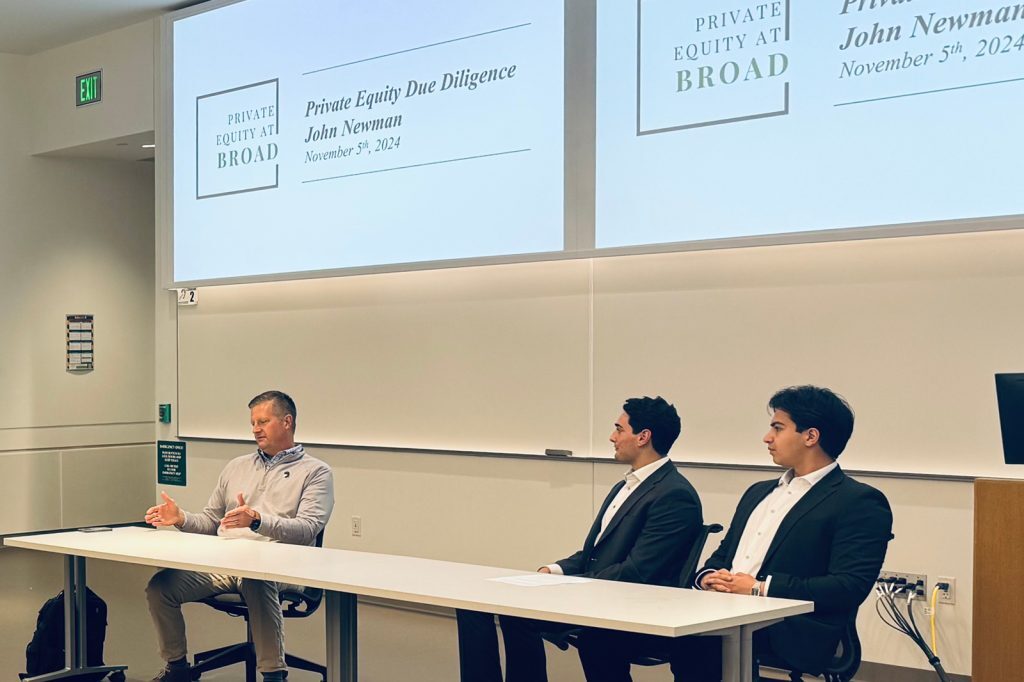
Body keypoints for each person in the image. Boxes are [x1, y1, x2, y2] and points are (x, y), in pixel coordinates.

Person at [578, 385, 893, 681]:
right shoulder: (759, 492)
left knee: (698, 645)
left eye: (778, 428)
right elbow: (721, 556)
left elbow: (848, 586)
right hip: (724, 610)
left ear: (811, 436)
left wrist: (758, 588)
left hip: (788, 624)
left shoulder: (858, 501)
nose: (767, 438)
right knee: (601, 633)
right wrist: (709, 576)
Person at [456, 396, 703, 682]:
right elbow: (594, 553)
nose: (612, 437)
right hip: (594, 593)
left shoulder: (674, 495)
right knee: (474, 604)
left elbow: (639, 572)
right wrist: (554, 570)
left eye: (619, 429)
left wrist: (574, 585)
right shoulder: (626, 485)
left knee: (517, 614)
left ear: (643, 437)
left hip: (626, 607)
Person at [143, 390, 334, 682]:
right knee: (161, 587)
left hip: (284, 565)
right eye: (253, 423)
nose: (256, 429)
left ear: (287, 422)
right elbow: (210, 521)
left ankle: (273, 675)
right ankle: (177, 668)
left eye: (263, 421)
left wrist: (257, 521)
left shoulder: (316, 472)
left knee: (256, 578)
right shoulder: (237, 466)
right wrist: (180, 518)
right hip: (224, 564)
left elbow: (308, 529)